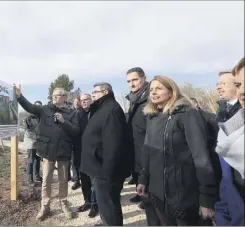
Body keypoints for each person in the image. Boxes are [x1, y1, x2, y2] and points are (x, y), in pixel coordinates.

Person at [137, 76, 218, 226]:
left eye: (159, 88)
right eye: (151, 89)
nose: (153, 92)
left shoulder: (188, 115)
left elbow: (201, 157)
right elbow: (147, 151)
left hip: (185, 197)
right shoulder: (152, 118)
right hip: (159, 197)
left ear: (171, 92)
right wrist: (143, 178)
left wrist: (207, 197)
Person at [13, 84, 80, 221]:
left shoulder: (71, 113)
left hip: (64, 152)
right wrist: (19, 96)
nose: (54, 97)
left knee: (63, 180)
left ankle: (64, 203)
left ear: (64, 98)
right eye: (53, 95)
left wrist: (64, 121)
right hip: (47, 151)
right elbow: (30, 107)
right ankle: (45, 206)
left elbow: (76, 131)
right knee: (46, 181)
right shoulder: (44, 109)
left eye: (58, 95)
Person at [81, 82, 134, 226]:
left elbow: (113, 144)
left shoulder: (111, 110)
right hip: (99, 168)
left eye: (95, 92)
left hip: (105, 171)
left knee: (109, 206)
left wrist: (108, 172)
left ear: (105, 92)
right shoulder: (102, 108)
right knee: (106, 205)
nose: (92, 95)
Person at [125, 67, 161, 225]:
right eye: (128, 81)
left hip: (151, 152)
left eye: (134, 80)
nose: (131, 84)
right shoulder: (134, 99)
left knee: (154, 201)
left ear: (143, 78)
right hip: (138, 149)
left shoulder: (150, 98)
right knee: (145, 193)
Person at [214, 57, 244, 226]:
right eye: (240, 85)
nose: (242, 91)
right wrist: (222, 214)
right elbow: (227, 176)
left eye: (223, 84)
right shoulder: (232, 123)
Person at [74, 93, 99, 218]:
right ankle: (87, 201)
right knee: (84, 180)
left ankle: (95, 205)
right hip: (81, 152)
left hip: (94, 153)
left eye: (86, 99)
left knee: (94, 181)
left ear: (91, 100)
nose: (84, 102)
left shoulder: (97, 112)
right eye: (82, 100)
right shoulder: (77, 115)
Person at [23, 100, 43, 185]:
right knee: (31, 160)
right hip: (31, 143)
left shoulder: (41, 117)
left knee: (37, 160)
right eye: (37, 106)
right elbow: (28, 132)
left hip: (38, 143)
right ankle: (29, 179)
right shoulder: (29, 118)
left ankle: (37, 176)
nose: (38, 108)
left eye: (40, 106)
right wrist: (38, 137)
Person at [70, 96, 81, 186]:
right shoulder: (71, 112)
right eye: (75, 101)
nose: (76, 103)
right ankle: (76, 179)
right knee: (74, 161)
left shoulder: (85, 111)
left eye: (78, 101)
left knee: (82, 161)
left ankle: (84, 178)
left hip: (82, 140)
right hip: (73, 140)